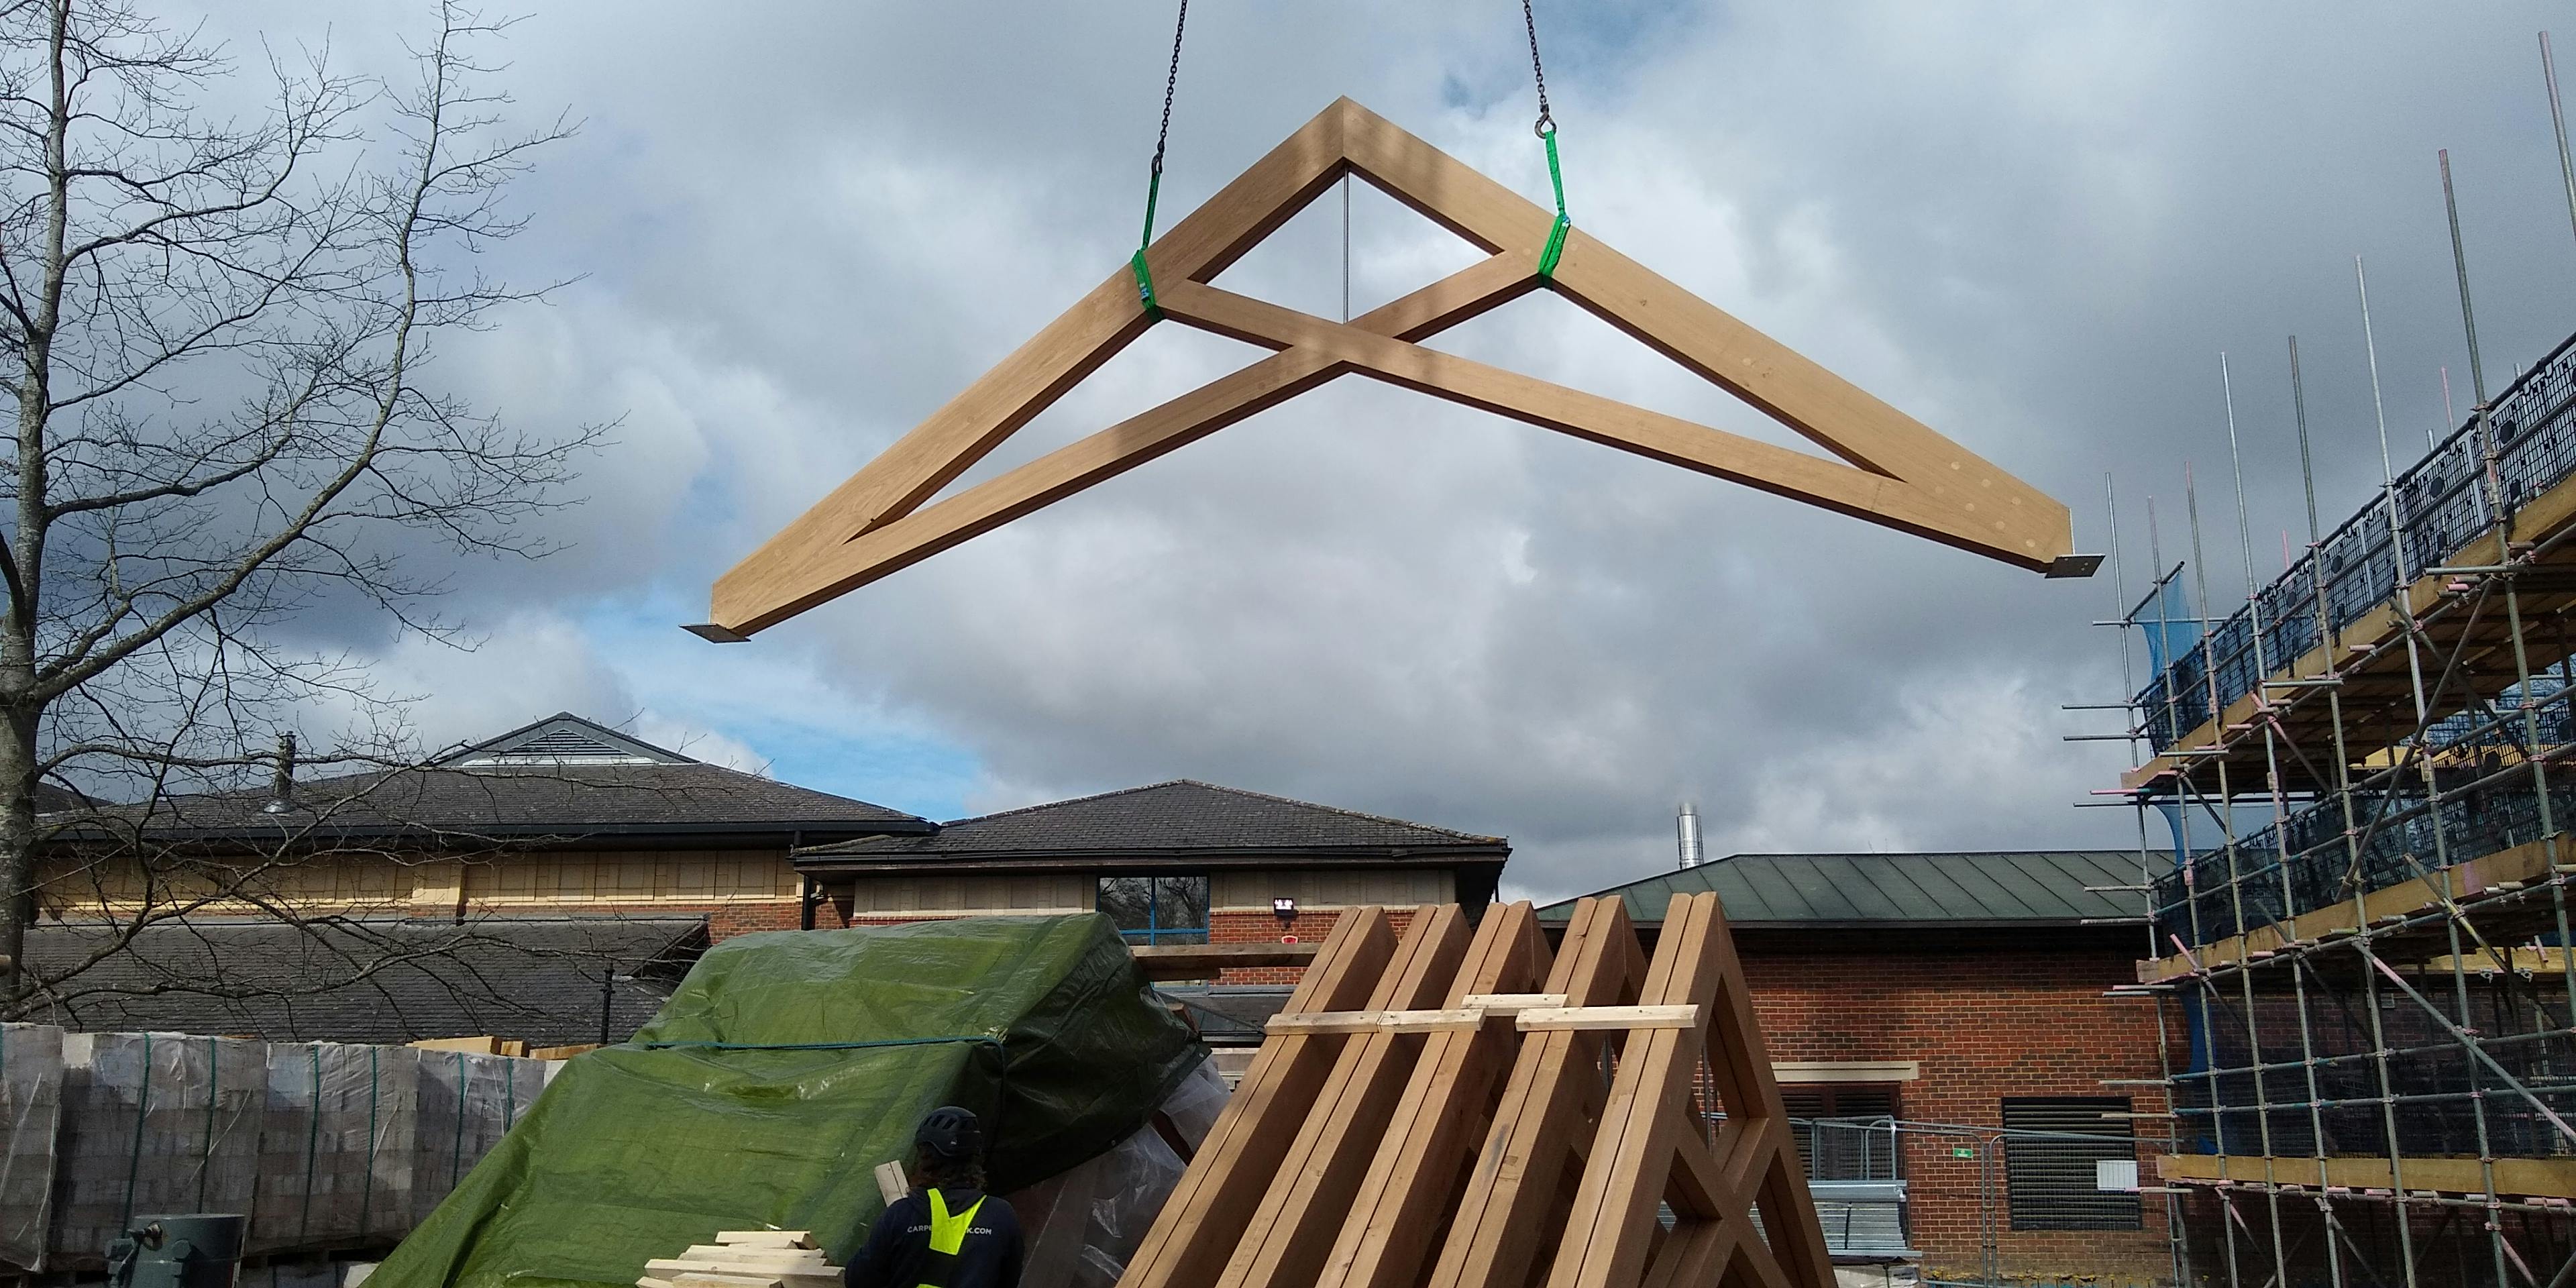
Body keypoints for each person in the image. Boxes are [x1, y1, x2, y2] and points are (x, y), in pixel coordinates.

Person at [845, 1106, 1024, 1288]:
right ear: (975, 1158)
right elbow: (1009, 1280)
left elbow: (859, 1280)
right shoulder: (1000, 1216)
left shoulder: (901, 1215)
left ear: (925, 1157)